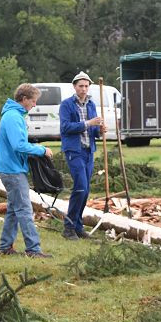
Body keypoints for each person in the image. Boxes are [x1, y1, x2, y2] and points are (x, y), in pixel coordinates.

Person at [0, 83, 53, 258]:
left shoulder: (14, 115)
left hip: (11, 168)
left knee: (14, 209)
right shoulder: (13, 117)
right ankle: (33, 250)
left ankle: (5, 247)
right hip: (12, 171)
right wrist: (42, 150)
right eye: (33, 101)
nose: (34, 105)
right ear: (24, 99)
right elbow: (18, 145)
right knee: (25, 210)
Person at [59, 71, 103, 240]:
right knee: (80, 187)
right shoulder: (67, 105)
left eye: (86, 86)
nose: (84, 89)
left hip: (88, 151)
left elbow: (93, 130)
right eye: (81, 86)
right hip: (74, 151)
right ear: (74, 87)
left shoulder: (91, 105)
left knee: (85, 191)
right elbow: (65, 127)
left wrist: (99, 130)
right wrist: (88, 123)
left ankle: (78, 227)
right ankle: (68, 227)